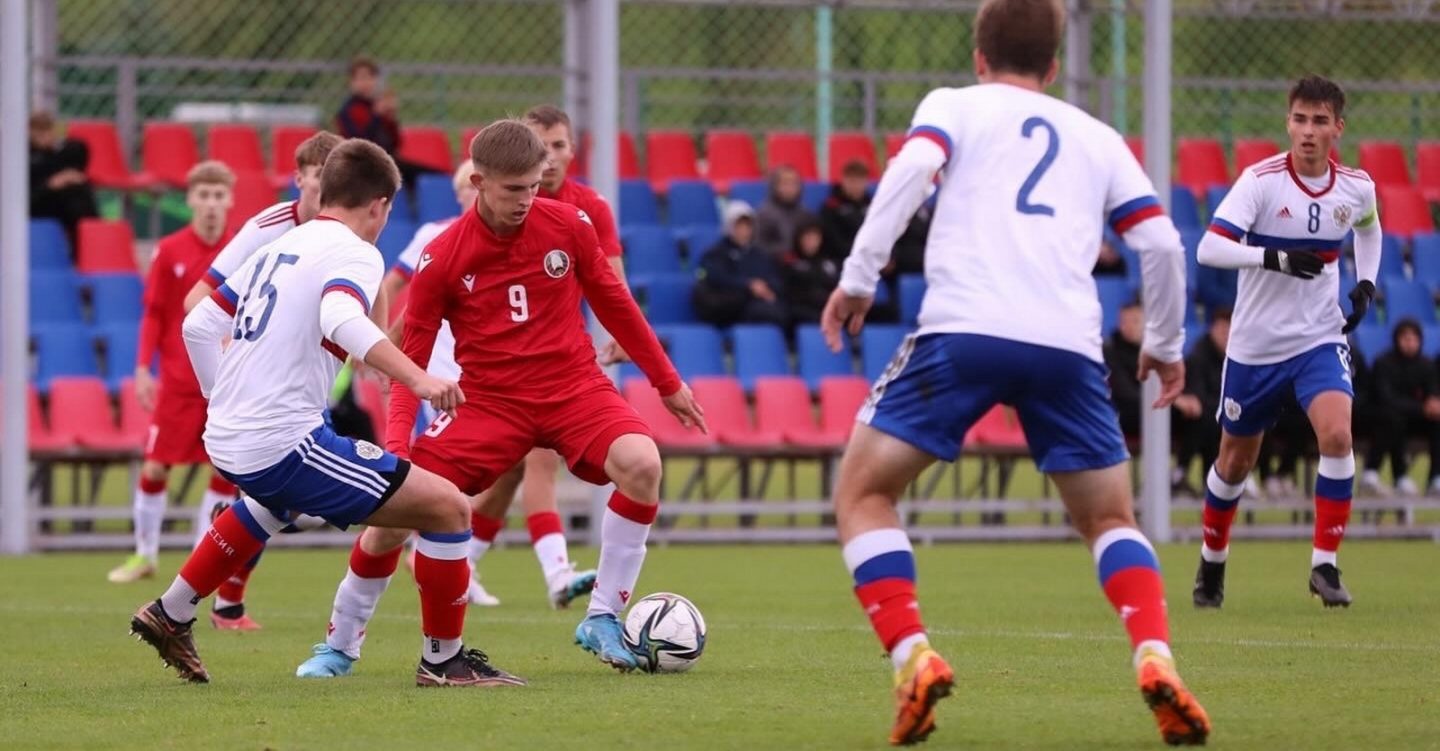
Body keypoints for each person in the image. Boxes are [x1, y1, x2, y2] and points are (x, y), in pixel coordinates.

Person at [818, 0, 1208, 745]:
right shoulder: (1097, 136)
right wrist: (1162, 341)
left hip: (964, 331)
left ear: (978, 56)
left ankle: (913, 655)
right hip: (1067, 345)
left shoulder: (955, 107)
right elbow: (1159, 243)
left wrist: (860, 276)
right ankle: (1156, 654)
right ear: (1055, 66)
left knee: (864, 492)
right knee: (1109, 519)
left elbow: (911, 171)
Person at [292, 121, 705, 680]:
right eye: (514, 189)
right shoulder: (443, 256)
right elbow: (409, 367)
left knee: (642, 464)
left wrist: (667, 382)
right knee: (394, 516)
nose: (527, 200)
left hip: (574, 388)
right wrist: (396, 455)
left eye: (535, 186)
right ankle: (340, 645)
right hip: (489, 404)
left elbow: (617, 305)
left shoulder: (569, 225)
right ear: (479, 181)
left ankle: (604, 617)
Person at [128, 139, 517, 688]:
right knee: (449, 508)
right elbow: (339, 316)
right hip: (282, 441)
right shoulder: (354, 250)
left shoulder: (279, 247)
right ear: (380, 206)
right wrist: (417, 376)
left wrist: (222, 400)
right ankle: (443, 662)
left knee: (268, 506)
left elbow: (197, 325)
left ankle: (171, 612)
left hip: (229, 436)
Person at [1193, 75, 1380, 610]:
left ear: (1337, 129)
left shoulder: (1356, 188)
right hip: (1255, 346)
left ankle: (1325, 564)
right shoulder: (1261, 181)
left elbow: (1369, 229)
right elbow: (1209, 247)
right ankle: (1212, 560)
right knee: (1234, 462)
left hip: (1318, 338)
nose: (1308, 131)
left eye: (1320, 121)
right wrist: (1270, 256)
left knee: (1338, 435)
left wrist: (1366, 283)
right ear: (1288, 123)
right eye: (1300, 119)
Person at [107, 163, 252, 623]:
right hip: (176, 379)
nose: (210, 203)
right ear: (189, 200)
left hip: (225, 381)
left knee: (224, 472)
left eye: (218, 195)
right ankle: (144, 555)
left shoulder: (242, 250)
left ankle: (197, 561)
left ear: (230, 200)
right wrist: (142, 369)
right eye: (203, 195)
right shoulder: (169, 250)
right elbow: (153, 313)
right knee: (155, 465)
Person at [183, 131, 343, 312]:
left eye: (336, 176)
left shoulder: (350, 230)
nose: (328, 185)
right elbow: (196, 298)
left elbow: (375, 289)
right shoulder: (266, 228)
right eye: (320, 175)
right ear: (299, 179)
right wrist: (231, 339)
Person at [335, 55, 431, 202]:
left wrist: (390, 119)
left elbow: (395, 143)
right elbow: (359, 141)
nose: (365, 83)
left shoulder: (374, 106)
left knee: (432, 174)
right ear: (351, 82)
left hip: (386, 158)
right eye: (360, 78)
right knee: (412, 173)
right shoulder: (348, 111)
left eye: (369, 78)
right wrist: (376, 116)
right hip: (363, 161)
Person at [1362, 319, 1440, 497]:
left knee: (1437, 421)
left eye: (1414, 338)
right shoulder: (1383, 363)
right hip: (1385, 418)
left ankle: (1436, 478)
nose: (1410, 342)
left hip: (1416, 420)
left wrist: (1433, 405)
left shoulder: (1426, 365)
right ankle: (1393, 476)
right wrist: (1421, 408)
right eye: (1405, 338)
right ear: (1397, 339)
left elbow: (1432, 396)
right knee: (1392, 419)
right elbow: (1385, 398)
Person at [692, 201, 788, 327]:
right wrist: (749, 286)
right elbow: (717, 277)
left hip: (759, 304)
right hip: (732, 309)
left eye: (747, 225)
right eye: (738, 225)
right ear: (728, 226)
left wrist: (765, 288)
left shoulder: (760, 255)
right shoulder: (715, 253)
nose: (743, 230)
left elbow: (774, 278)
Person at [1172, 308, 1230, 494]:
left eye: (1230, 331)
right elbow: (1197, 397)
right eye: (1223, 330)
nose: (1227, 336)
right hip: (1192, 417)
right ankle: (1199, 476)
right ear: (1212, 329)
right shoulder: (1198, 357)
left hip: (1220, 415)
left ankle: (1214, 478)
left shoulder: (1237, 359)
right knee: (1204, 417)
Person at [28, 111, 99, 250]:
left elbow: (77, 167)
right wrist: (51, 184)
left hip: (63, 199)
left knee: (77, 194)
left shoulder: (68, 150)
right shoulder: (26, 157)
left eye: (48, 131)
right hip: (36, 202)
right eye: (40, 133)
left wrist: (63, 179)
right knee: (75, 198)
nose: (45, 137)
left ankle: (90, 247)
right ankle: (89, 246)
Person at [784, 219, 840, 326]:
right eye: (808, 237)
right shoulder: (790, 262)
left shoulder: (828, 263)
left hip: (829, 306)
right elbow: (791, 293)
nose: (812, 242)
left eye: (815, 238)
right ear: (799, 239)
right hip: (804, 310)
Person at [1104, 299, 1144, 439]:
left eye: (1135, 321)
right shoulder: (1110, 351)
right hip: (1122, 413)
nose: (1129, 327)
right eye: (1124, 322)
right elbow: (1125, 392)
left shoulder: (1152, 352)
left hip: (1147, 408)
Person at [755, 164, 814, 258]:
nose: (790, 188)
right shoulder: (764, 214)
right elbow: (759, 247)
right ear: (775, 186)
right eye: (785, 183)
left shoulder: (805, 213)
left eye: (794, 183)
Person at [819, 159, 872, 262]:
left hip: (869, 258)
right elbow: (833, 240)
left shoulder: (872, 205)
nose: (856, 186)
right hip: (842, 259)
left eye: (860, 181)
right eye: (852, 181)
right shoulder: (831, 207)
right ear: (843, 180)